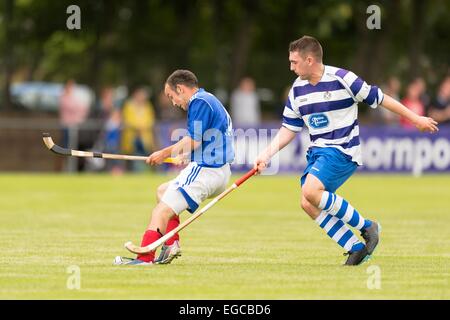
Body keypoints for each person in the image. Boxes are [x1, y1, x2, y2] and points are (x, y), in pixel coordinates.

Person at [254, 36, 439, 266]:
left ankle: (367, 226)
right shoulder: (297, 90)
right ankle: (355, 247)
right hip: (318, 153)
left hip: (343, 150)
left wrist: (415, 119)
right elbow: (288, 129)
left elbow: (381, 99)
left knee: (311, 190)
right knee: (307, 202)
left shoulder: (343, 79)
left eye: (294, 62)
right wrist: (266, 154)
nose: (291, 67)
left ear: (309, 60)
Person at [114, 69, 235, 265]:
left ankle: (144, 259)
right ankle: (171, 244)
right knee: (162, 191)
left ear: (180, 89)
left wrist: (164, 153)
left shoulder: (199, 101)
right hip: (215, 169)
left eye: (171, 96)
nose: (173, 102)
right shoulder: (208, 99)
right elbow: (208, 139)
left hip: (208, 170)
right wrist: (186, 155)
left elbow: (194, 140)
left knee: (160, 211)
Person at [121, 87, 156, 171]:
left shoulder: (148, 106)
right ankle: (136, 172)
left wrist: (142, 127)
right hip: (132, 137)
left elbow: (151, 120)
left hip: (145, 137)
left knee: (145, 156)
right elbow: (126, 120)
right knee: (133, 157)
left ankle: (143, 172)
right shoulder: (128, 106)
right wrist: (137, 127)